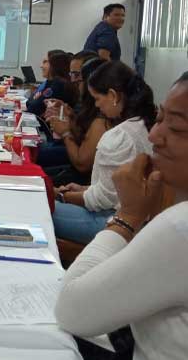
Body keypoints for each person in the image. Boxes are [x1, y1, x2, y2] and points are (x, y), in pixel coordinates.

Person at [55, 72, 188, 360]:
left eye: (175, 127)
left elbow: (71, 311)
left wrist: (128, 216)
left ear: (114, 96)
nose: (154, 135)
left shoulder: (180, 229)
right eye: (160, 118)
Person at [52, 61, 156, 244]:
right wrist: (85, 189)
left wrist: (61, 196)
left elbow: (101, 200)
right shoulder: (143, 125)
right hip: (138, 221)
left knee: (41, 208)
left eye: (98, 99)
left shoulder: (119, 136)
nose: (97, 106)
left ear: (113, 95)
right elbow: (113, 190)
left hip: (113, 222)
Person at [43, 58, 109, 184]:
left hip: (83, 180)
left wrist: (65, 132)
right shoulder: (90, 106)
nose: (75, 80)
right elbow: (84, 138)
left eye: (78, 75)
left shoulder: (101, 119)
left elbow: (82, 164)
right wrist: (71, 117)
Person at [26, 50, 76, 117]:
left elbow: (32, 109)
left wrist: (34, 100)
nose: (41, 66)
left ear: (55, 64)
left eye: (45, 62)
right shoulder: (51, 82)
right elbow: (29, 103)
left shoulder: (58, 84)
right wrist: (34, 100)